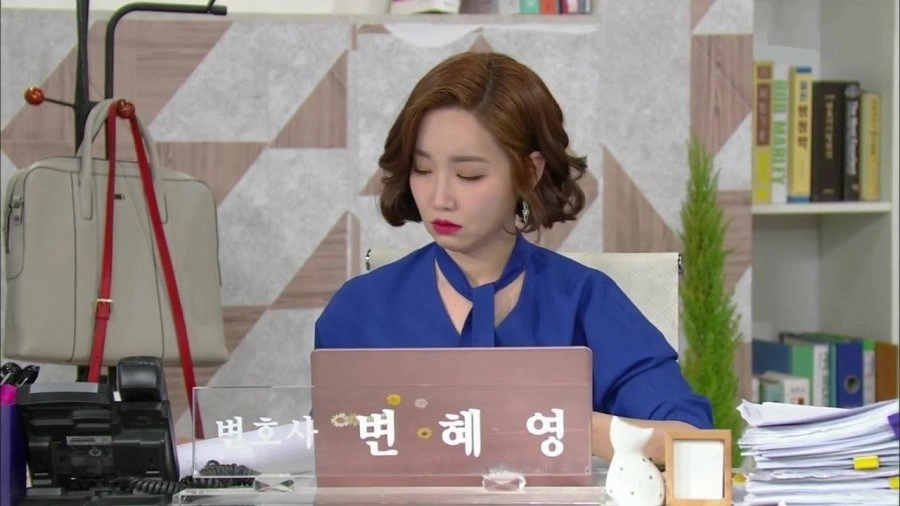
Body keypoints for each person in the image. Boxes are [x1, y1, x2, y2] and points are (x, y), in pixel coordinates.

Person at [314, 51, 713, 463]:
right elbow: (328, 453)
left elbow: (693, 441)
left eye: (469, 175)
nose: (439, 198)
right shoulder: (358, 309)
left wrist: (554, 425)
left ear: (529, 171)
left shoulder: (584, 300)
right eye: (422, 170)